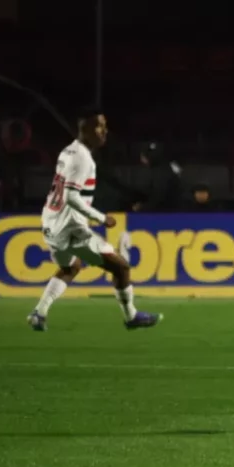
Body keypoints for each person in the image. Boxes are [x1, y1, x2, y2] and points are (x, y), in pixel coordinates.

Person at [27, 108, 163, 332]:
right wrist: (101, 218)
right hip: (71, 229)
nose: (104, 131)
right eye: (100, 126)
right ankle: (131, 316)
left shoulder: (68, 151)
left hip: (51, 224)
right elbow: (71, 196)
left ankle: (39, 313)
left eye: (105, 126)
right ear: (85, 128)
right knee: (121, 268)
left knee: (71, 267)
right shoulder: (83, 159)